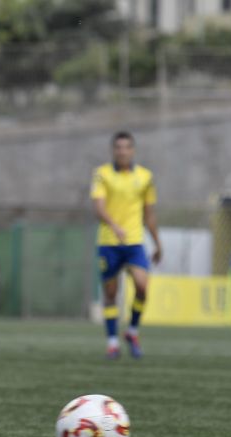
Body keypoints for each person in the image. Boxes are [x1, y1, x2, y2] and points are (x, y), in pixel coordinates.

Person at [91, 131, 162, 360]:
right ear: (113, 150)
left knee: (142, 287)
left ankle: (132, 331)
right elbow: (99, 207)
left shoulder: (145, 177)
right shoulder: (102, 174)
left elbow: (149, 214)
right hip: (109, 242)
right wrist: (114, 226)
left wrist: (158, 243)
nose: (122, 151)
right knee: (111, 293)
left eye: (126, 147)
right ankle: (112, 343)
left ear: (133, 150)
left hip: (134, 242)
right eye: (118, 147)